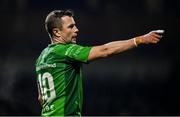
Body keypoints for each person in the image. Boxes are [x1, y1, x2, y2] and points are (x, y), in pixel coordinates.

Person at [35, 9, 163, 116]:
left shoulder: (41, 57)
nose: (77, 29)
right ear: (56, 32)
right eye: (71, 26)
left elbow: (41, 98)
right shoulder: (66, 51)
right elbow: (105, 50)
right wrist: (139, 40)